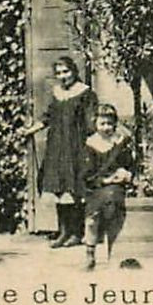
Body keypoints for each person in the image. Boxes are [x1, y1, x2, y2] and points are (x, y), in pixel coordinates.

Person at [19, 56, 98, 247]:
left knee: (74, 187)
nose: (63, 77)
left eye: (66, 72)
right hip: (57, 147)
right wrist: (31, 129)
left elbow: (91, 123)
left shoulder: (85, 93)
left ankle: (76, 233)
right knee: (58, 187)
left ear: (74, 72)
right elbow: (47, 117)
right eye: (59, 73)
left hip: (76, 146)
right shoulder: (57, 94)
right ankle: (63, 231)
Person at [80, 103, 135, 271]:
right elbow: (87, 172)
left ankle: (113, 253)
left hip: (115, 187)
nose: (106, 128)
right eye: (102, 124)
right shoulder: (91, 144)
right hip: (96, 187)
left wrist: (125, 173)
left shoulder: (119, 143)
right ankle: (90, 253)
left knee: (113, 212)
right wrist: (103, 180)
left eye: (110, 124)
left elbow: (129, 163)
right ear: (95, 124)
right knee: (92, 218)